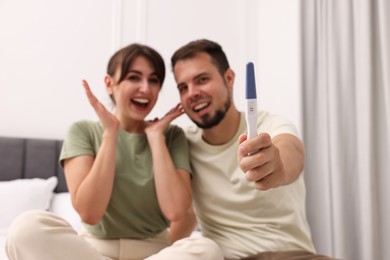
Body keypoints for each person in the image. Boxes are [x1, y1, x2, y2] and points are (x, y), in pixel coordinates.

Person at [5, 43, 223, 260]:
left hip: (155, 253)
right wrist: (110, 133)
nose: (145, 89)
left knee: (206, 249)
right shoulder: (83, 131)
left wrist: (156, 138)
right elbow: (90, 214)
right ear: (109, 84)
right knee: (26, 228)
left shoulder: (172, 136)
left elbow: (176, 211)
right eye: (134, 77)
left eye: (154, 80)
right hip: (92, 252)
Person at [170, 39, 336, 260]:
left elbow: (291, 153)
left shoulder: (271, 126)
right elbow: (182, 215)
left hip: (288, 255)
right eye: (183, 87)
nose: (192, 93)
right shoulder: (184, 144)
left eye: (202, 80)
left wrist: (276, 167)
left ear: (229, 79)